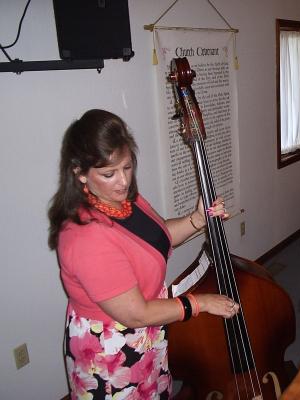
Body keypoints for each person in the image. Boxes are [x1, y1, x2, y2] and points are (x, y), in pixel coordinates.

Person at [48, 109, 239, 399]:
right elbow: (136, 313)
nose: (123, 181)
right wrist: (200, 303)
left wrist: (198, 219)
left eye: (127, 167)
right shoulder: (85, 237)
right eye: (109, 174)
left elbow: (158, 238)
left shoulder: (126, 201)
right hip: (112, 352)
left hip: (147, 335)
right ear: (80, 173)